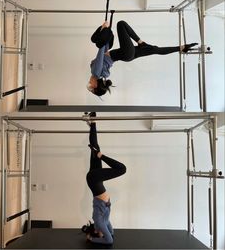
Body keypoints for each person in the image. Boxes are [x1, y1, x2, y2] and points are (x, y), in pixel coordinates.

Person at [87, 20, 198, 96]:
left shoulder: (102, 74)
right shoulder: (96, 73)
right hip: (126, 53)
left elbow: (104, 50)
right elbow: (101, 51)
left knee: (155, 50)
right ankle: (141, 42)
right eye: (92, 87)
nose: (89, 84)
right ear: (96, 85)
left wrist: (105, 33)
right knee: (121, 24)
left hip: (128, 55)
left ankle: (181, 48)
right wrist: (104, 29)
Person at [84, 112, 126, 245]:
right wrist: (101, 234)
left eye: (100, 234)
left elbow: (109, 241)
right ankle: (93, 122)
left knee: (122, 169)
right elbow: (111, 233)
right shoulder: (104, 221)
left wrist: (92, 239)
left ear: (97, 231)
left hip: (94, 180)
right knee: (95, 148)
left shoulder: (98, 221)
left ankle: (100, 155)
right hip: (95, 181)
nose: (104, 233)